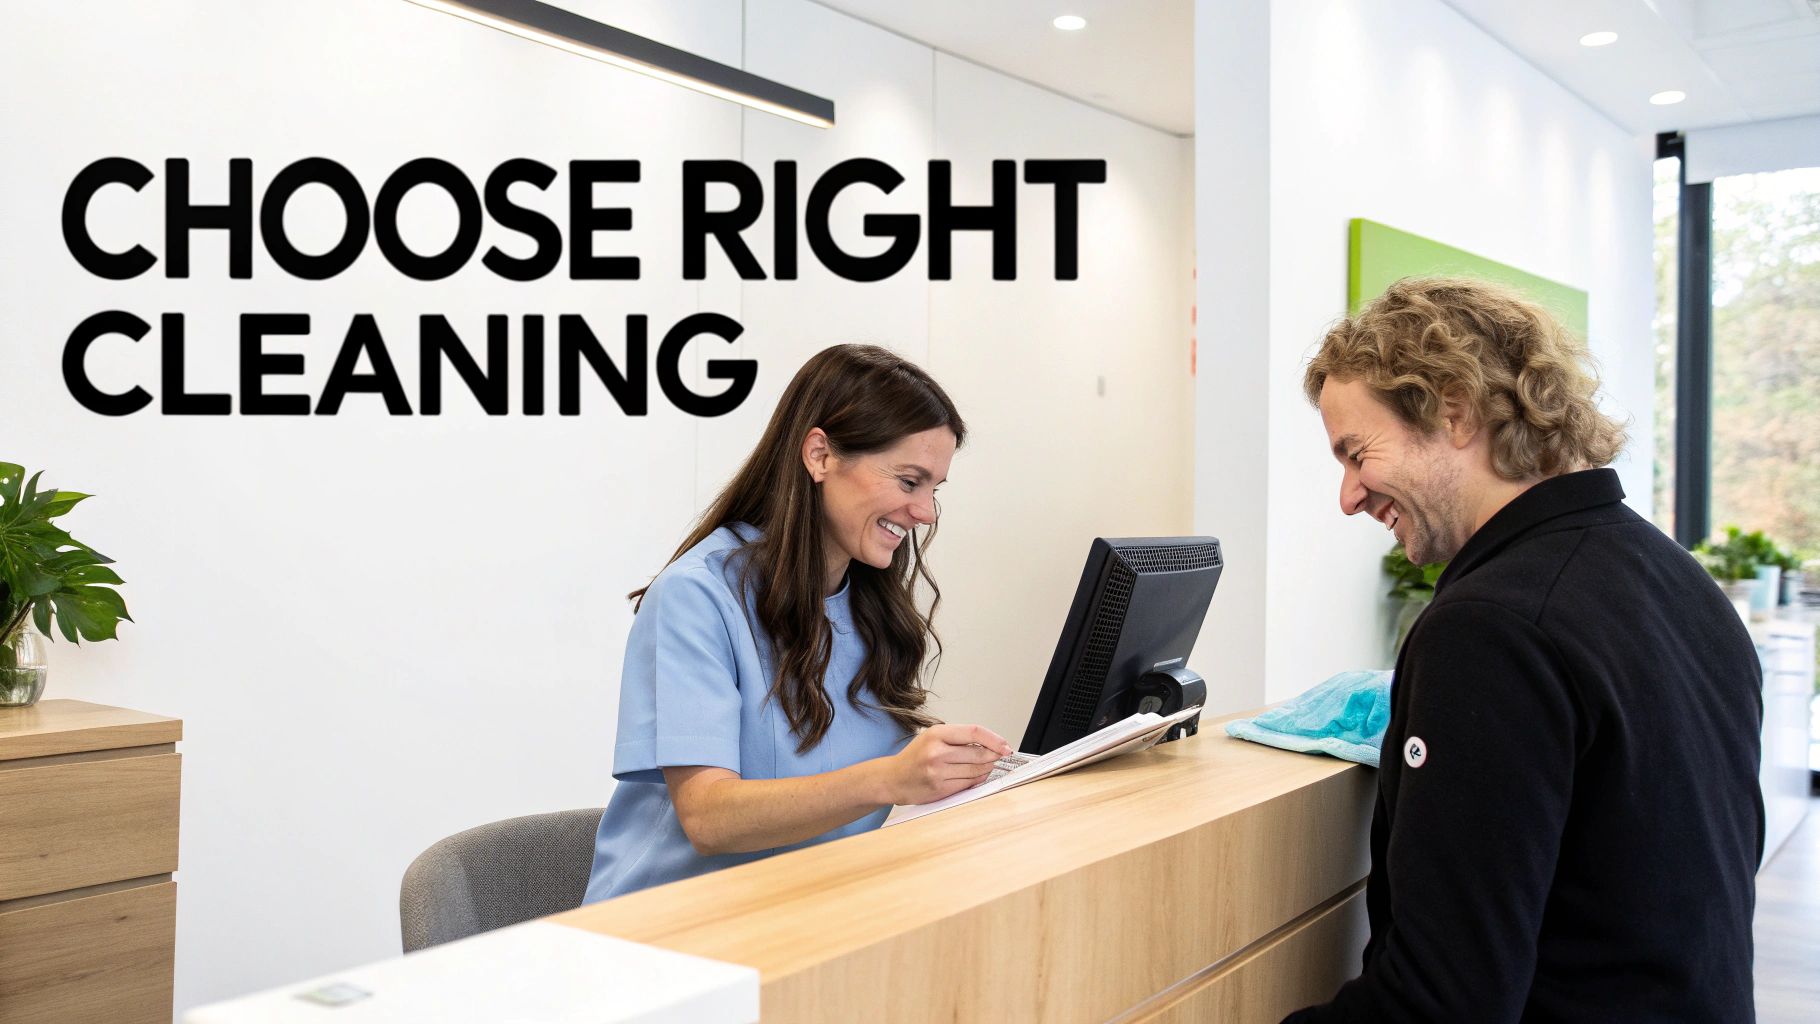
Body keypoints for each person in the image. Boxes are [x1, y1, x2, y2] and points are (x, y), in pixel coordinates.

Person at [1284, 278, 1763, 1022]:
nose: (1348, 496)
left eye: (1357, 453)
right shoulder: (1681, 582)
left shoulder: (1491, 629)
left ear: (1454, 410)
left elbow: (1440, 1006)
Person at [583, 343, 1013, 903]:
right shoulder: (697, 596)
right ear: (820, 455)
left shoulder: (868, 602)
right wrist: (891, 777)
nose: (926, 511)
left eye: (935, 489)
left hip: (809, 907)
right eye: (910, 482)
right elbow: (708, 818)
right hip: (672, 927)